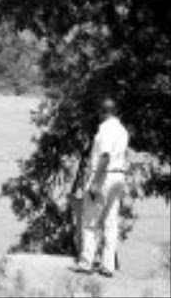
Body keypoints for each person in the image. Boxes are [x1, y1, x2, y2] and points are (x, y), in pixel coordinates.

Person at [76, 97, 129, 277]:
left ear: (102, 112)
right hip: (119, 176)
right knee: (111, 221)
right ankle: (108, 266)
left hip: (105, 176)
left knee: (90, 220)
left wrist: (95, 183)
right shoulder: (122, 130)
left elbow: (104, 156)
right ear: (116, 111)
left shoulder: (105, 129)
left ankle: (86, 263)